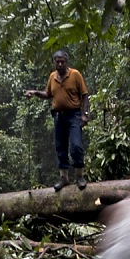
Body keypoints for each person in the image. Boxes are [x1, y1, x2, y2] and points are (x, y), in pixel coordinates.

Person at [25, 50, 90, 191]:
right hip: (58, 116)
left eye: (62, 61)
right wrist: (35, 92)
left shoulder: (75, 75)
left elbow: (84, 94)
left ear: (66, 62)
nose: (60, 64)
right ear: (54, 62)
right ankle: (64, 177)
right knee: (60, 147)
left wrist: (85, 114)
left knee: (76, 145)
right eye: (57, 61)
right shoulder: (52, 77)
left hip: (73, 115)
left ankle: (79, 175)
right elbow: (48, 93)